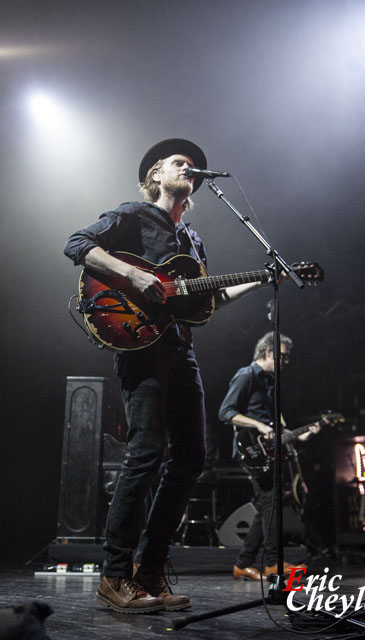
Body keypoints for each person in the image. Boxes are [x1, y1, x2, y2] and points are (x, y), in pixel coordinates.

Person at [64, 138, 271, 613]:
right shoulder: (133, 215)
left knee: (192, 458)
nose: (191, 167)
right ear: (156, 175)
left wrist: (260, 278)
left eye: (195, 165)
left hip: (181, 348)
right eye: (181, 163)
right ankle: (114, 576)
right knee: (146, 453)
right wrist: (134, 277)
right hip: (140, 344)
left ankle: (149, 571)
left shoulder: (193, 240)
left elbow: (207, 302)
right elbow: (76, 245)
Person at [218, 331, 320, 581]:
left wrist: (301, 434)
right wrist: (258, 426)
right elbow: (226, 412)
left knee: (267, 506)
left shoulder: (269, 383)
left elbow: (274, 426)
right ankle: (272, 563)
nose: (286, 362)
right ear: (268, 353)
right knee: (271, 503)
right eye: (283, 357)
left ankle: (243, 563)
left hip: (268, 452)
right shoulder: (246, 375)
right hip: (251, 451)